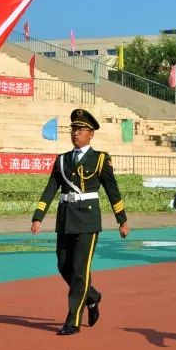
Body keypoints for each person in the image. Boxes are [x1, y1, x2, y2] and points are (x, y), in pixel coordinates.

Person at [32, 108, 130, 335]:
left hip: (87, 220)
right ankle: (92, 296)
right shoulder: (62, 159)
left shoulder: (100, 159)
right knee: (63, 265)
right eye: (73, 129)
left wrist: (121, 220)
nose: (76, 133)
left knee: (79, 271)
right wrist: (38, 216)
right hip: (65, 218)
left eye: (81, 129)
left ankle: (72, 320)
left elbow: (112, 190)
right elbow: (51, 188)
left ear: (91, 134)